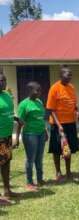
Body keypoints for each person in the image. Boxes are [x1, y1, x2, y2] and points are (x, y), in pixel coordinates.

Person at [46, 66, 79, 181]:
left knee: (67, 149)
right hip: (57, 124)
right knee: (56, 149)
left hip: (70, 123)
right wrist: (59, 125)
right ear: (61, 75)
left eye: (71, 75)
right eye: (67, 74)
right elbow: (51, 109)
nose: (70, 77)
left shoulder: (72, 87)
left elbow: (73, 104)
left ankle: (68, 172)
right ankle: (58, 172)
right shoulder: (54, 88)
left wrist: (77, 111)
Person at [16, 82, 48, 191]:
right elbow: (20, 122)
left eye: (40, 90)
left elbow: (41, 118)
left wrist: (45, 131)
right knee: (31, 159)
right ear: (30, 91)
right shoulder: (24, 104)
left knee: (39, 158)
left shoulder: (39, 102)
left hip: (41, 133)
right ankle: (29, 182)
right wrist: (17, 138)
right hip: (30, 135)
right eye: (37, 90)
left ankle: (40, 179)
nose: (39, 92)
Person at [0, 72, 19, 204]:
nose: (2, 82)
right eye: (0, 80)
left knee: (6, 162)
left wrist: (16, 118)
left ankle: (7, 190)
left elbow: (9, 113)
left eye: (3, 80)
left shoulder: (7, 95)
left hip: (6, 136)